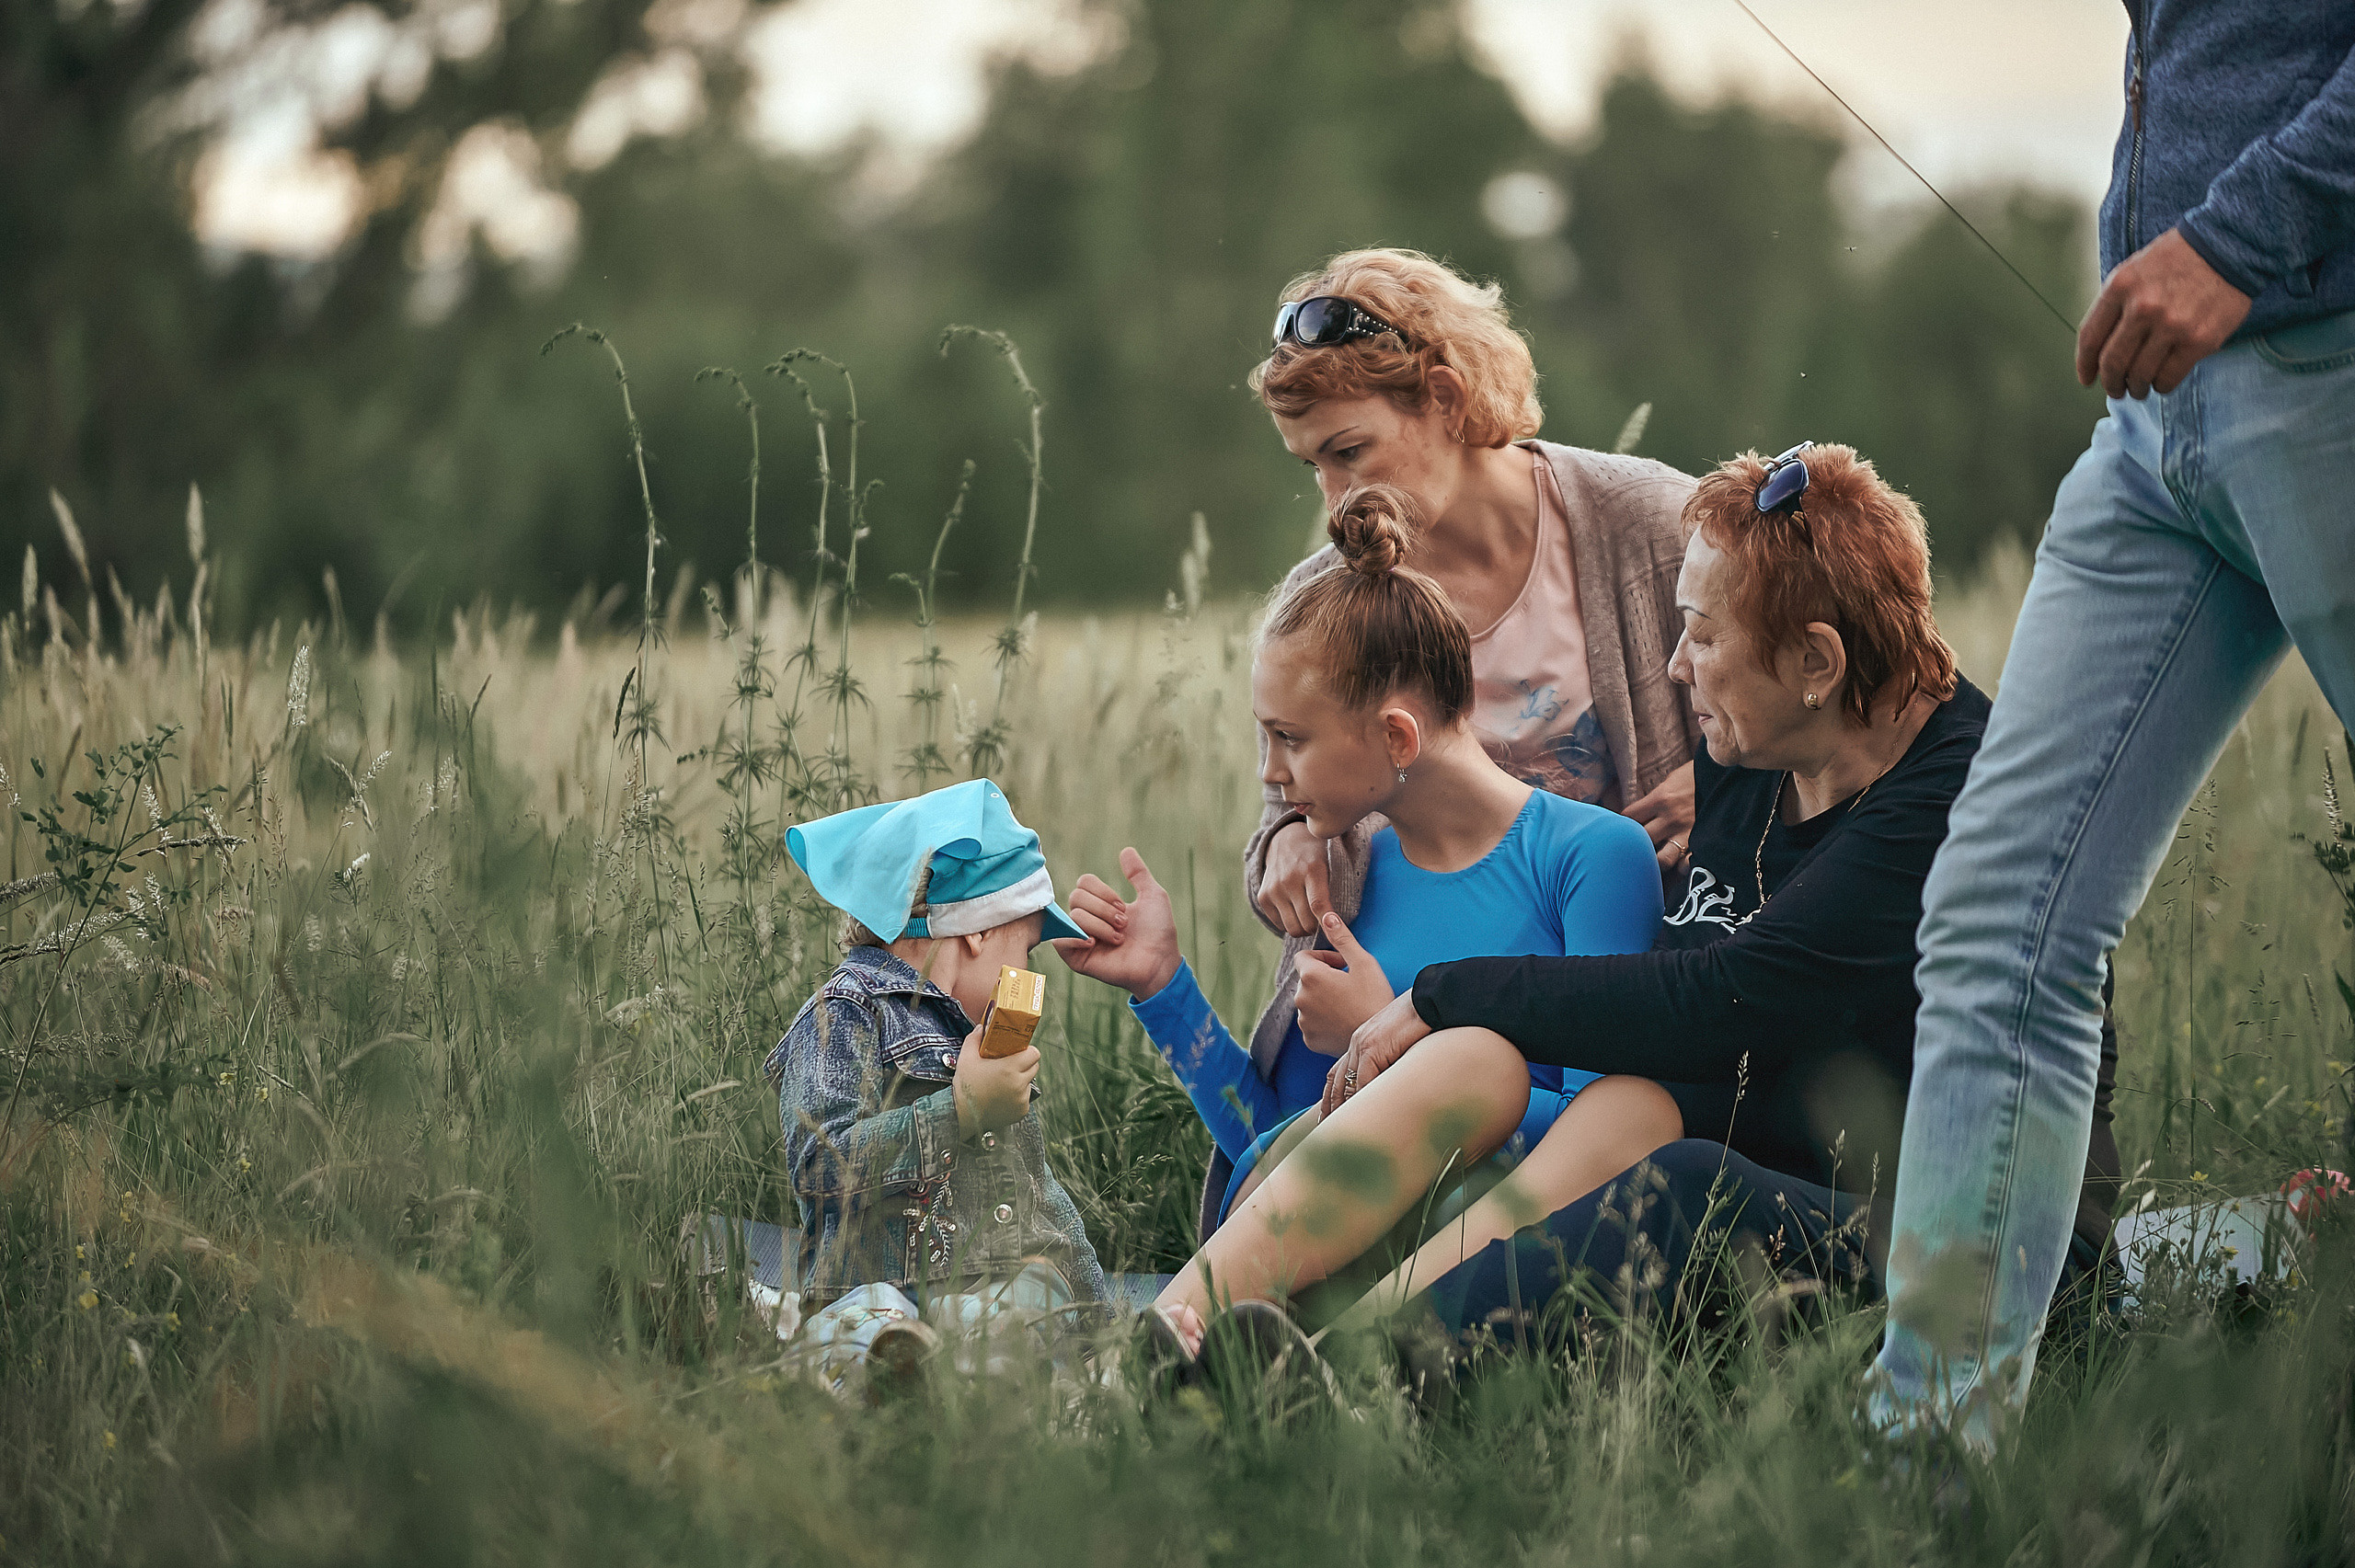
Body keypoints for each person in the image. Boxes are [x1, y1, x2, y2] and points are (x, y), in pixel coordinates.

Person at [1172, 445, 2120, 1354]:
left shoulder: (1954, 812)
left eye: (1704, 637)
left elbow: (1719, 1003)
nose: (1674, 668)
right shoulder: (1765, 750)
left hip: (1968, 1251)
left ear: (1817, 664)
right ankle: (1195, 1329)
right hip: (1775, 1175)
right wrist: (1298, 821)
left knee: (1678, 1182)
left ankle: (1357, 1374)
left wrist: (1438, 992)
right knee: (1590, 1101)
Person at [1872, 5, 2355, 1444]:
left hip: (2323, 369)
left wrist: (2235, 241)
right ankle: (1930, 1454)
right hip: (2160, 436)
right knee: (1995, 916)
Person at [1056, 484, 1670, 1344]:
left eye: (1290, 738)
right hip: (1298, 1259)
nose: (1270, 772)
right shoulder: (1347, 869)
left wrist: (1401, 1041)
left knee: (1538, 1074)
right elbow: (1266, 1151)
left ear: (1397, 737)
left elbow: (1608, 1139)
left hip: (1473, 1266)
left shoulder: (1590, 858)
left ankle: (1280, 1352)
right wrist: (1164, 988)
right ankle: (1199, 1339)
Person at [1223, 248, 1700, 1233]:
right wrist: (1288, 844)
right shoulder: (1348, 578)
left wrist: (1725, 789)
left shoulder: (1643, 520)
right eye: (1310, 464)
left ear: (1443, 397)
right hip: (1410, 1001)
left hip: (1613, 993)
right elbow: (1290, 787)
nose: (1332, 498)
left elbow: (1800, 697)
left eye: (1349, 451)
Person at [764, 779, 1109, 1388]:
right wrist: (960, 1109)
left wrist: (1103, 1327)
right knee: (868, 1323)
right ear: (978, 930)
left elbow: (1043, 1202)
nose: (1027, 972)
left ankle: (1011, 1385)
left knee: (1028, 1296)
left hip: (979, 1295)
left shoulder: (986, 1044)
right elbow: (819, 1162)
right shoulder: (844, 1012)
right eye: (1025, 947)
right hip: (873, 1282)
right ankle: (896, 1383)